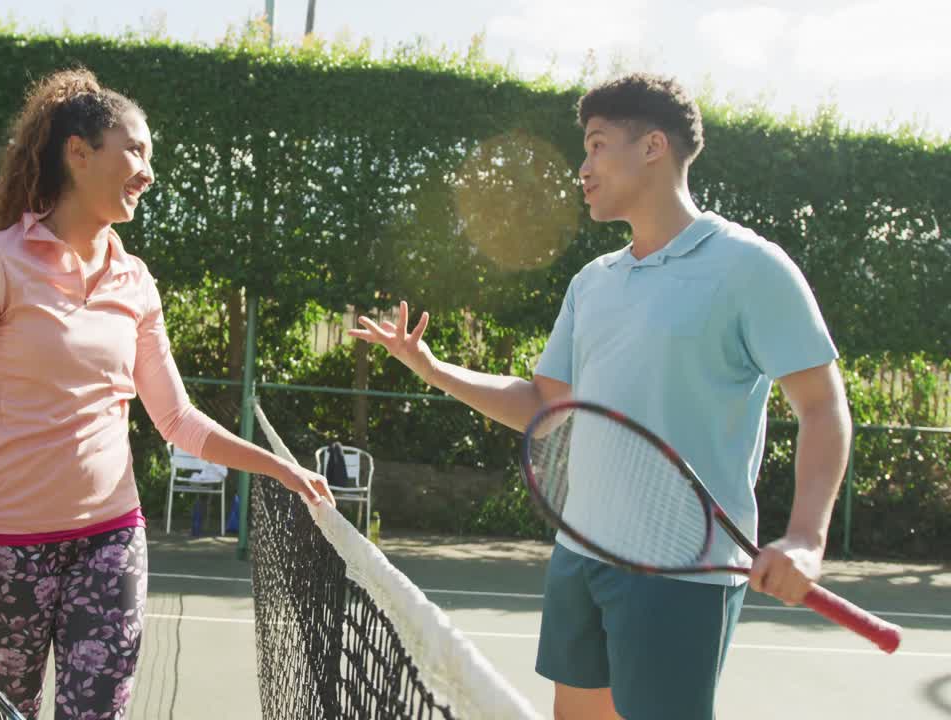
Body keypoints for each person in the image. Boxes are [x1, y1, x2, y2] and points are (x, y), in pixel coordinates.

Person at [349, 73, 850, 720]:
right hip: (582, 556)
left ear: (652, 148)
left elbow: (822, 404)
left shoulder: (751, 268)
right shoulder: (594, 283)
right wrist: (434, 369)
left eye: (596, 145)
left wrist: (806, 537)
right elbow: (543, 407)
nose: (582, 169)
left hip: (682, 573)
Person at [0, 68, 333, 718]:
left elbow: (179, 420)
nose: (148, 171)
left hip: (110, 544)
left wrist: (280, 469)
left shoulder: (135, 282)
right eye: (135, 150)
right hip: (5, 552)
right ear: (78, 153)